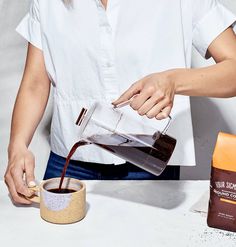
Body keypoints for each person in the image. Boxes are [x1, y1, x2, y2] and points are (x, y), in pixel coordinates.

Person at [4, 0, 236, 204]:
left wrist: (173, 81)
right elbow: (35, 82)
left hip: (147, 162)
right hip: (69, 162)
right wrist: (17, 146)